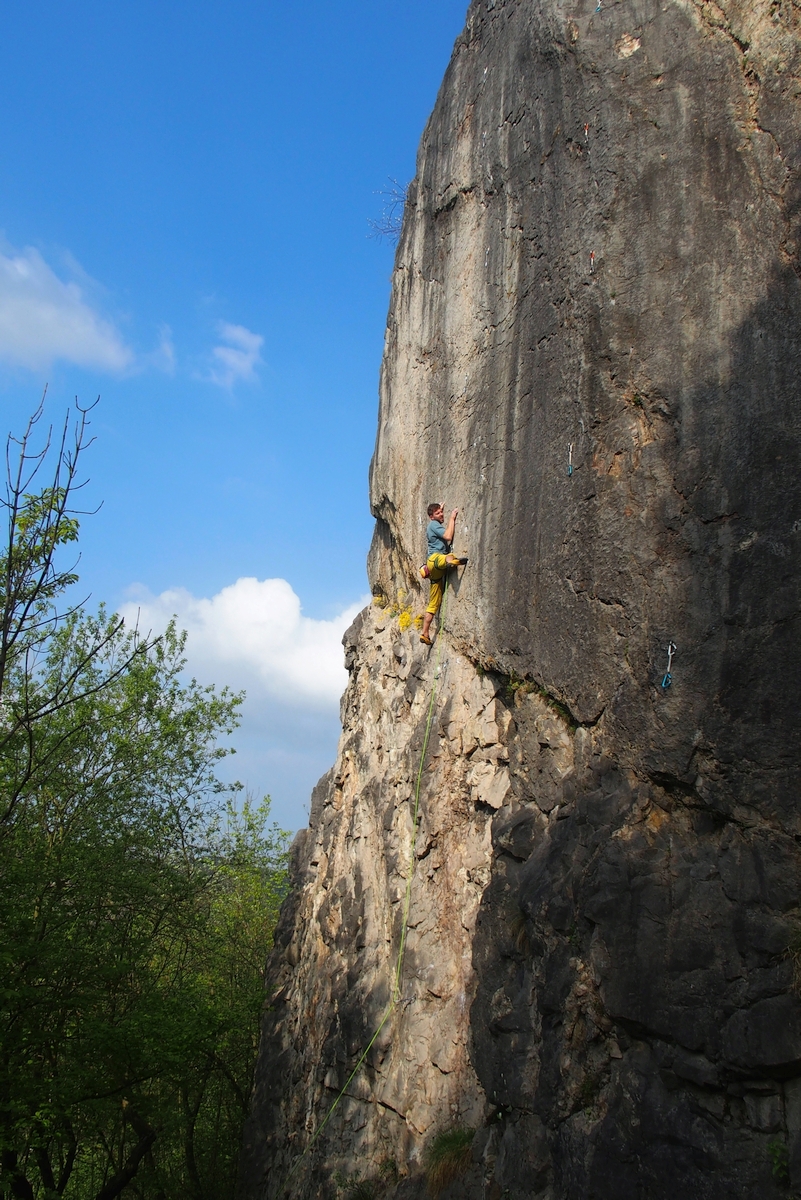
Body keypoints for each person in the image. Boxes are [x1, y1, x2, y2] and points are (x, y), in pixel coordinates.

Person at [419, 502, 468, 645]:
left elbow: (437, 519)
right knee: (448, 557)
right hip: (435, 560)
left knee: (433, 604)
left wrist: (440, 509)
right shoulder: (433, 524)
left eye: (442, 512)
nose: (442, 515)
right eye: (438, 513)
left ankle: (425, 633)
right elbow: (447, 536)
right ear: (431, 517)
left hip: (435, 574)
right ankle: (451, 561)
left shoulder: (433, 524)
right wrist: (452, 518)